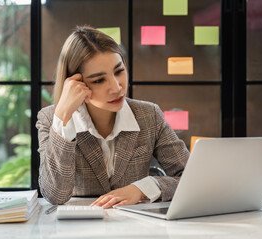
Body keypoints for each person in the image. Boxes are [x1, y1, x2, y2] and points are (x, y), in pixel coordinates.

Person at [36, 25, 190, 209]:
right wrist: (63, 116)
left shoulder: (149, 115)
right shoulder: (50, 119)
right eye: (99, 80)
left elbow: (191, 178)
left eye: (118, 71)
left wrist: (141, 189)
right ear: (74, 84)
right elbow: (55, 195)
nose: (116, 87)